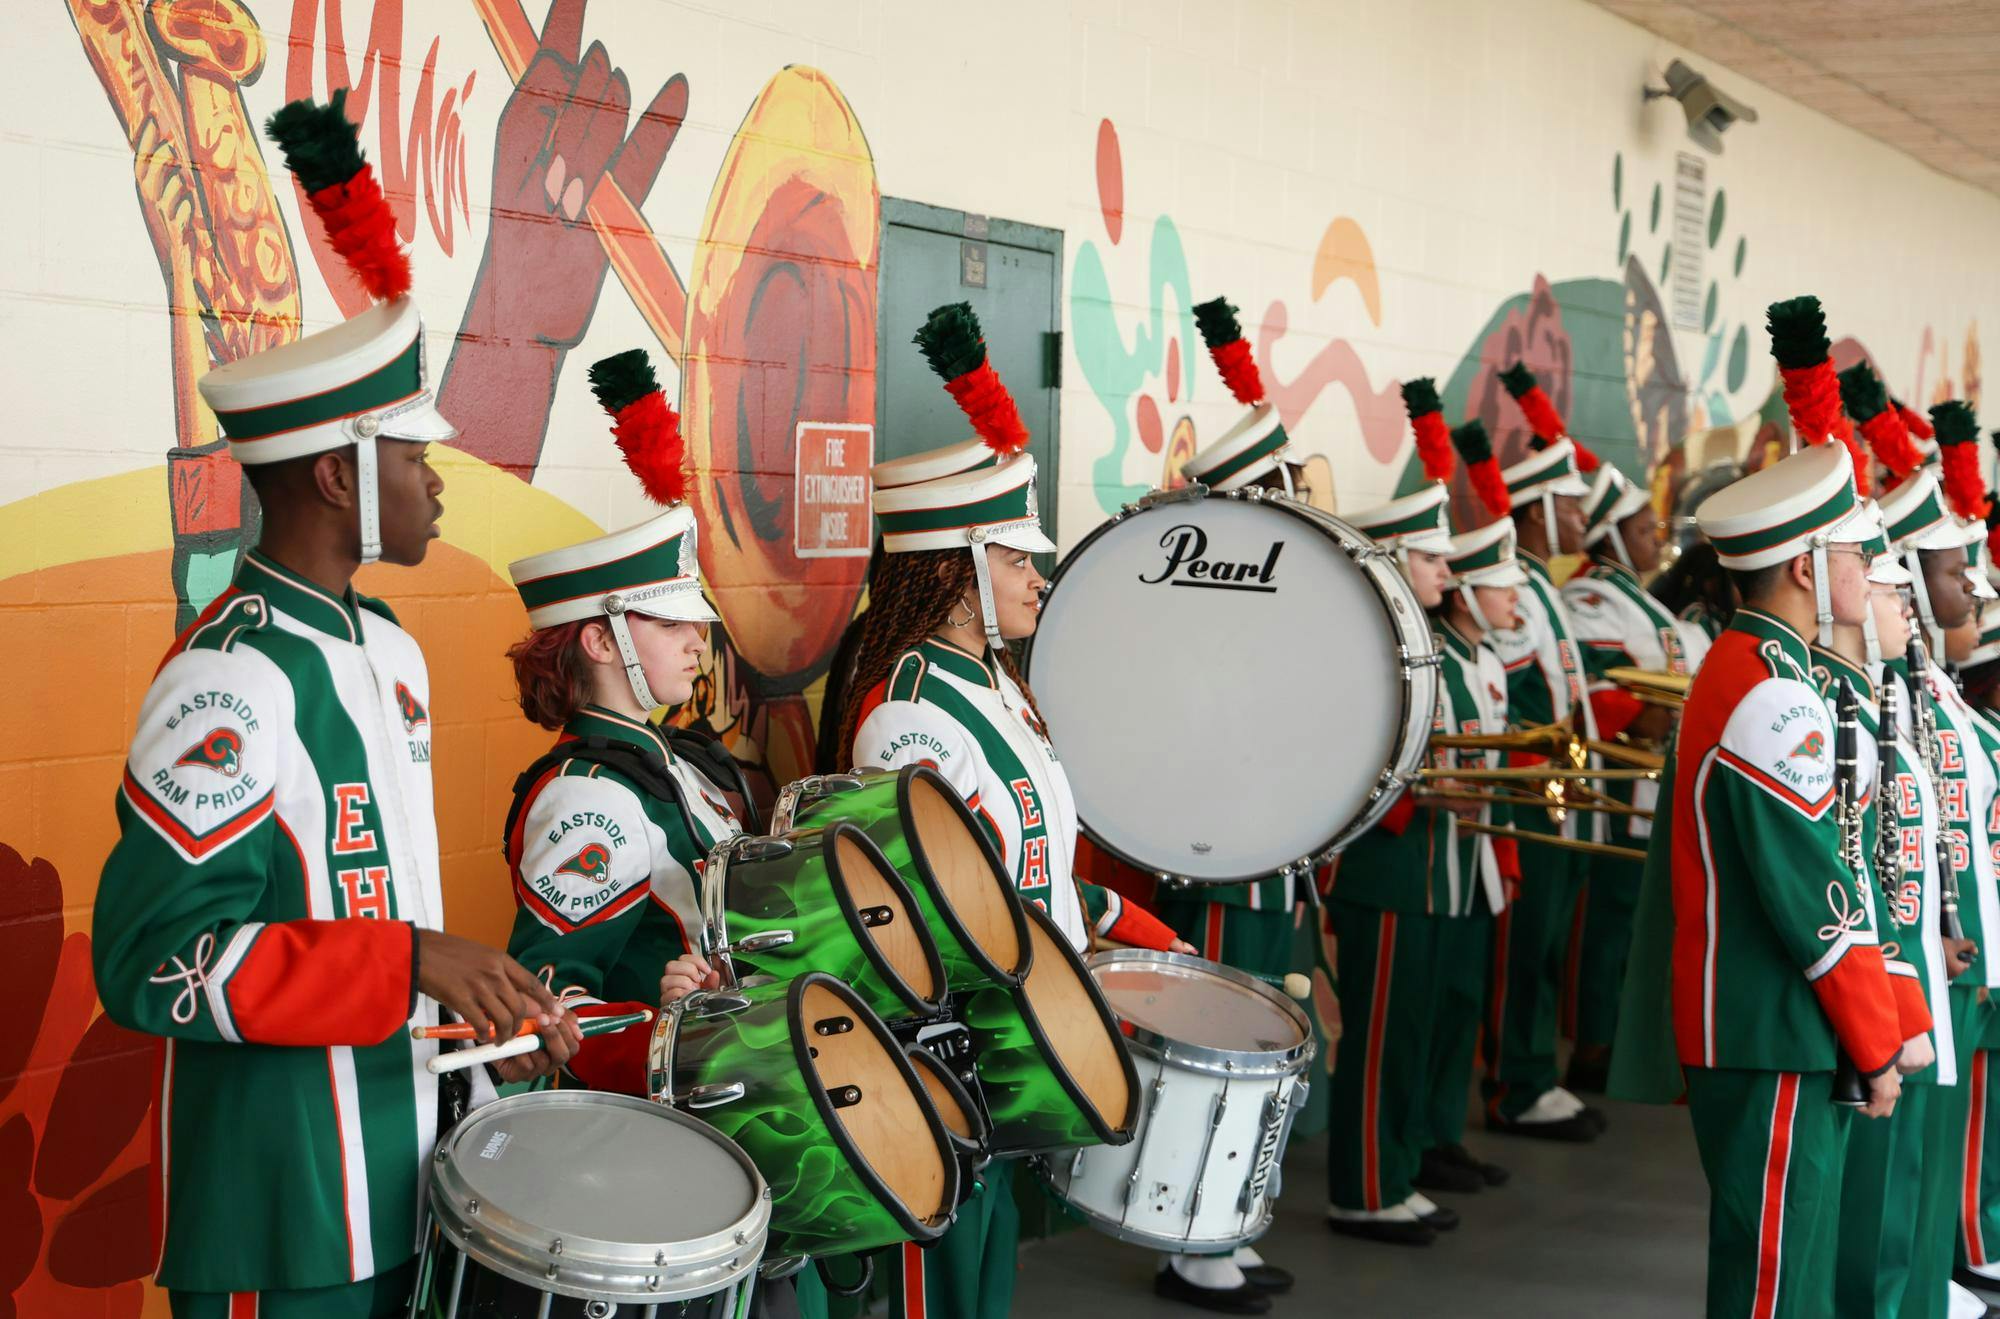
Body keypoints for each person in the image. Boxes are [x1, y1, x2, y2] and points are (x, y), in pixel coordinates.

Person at [92, 94, 572, 1317]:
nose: (438, 486)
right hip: (287, 1203)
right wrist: (409, 961)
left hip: (408, 1167)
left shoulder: (387, 646)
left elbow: (371, 896)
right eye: (416, 460)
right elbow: (153, 965)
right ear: (334, 475)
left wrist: (479, 1004)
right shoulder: (230, 682)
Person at [836, 304, 1191, 1319]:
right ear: (953, 565)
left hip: (1007, 1039)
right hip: (947, 1053)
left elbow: (1019, 870)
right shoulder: (908, 715)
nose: (1037, 576)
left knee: (986, 1274)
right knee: (938, 1283)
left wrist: (1127, 938)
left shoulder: (993, 688)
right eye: (1016, 559)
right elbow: (921, 918)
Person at [1674, 441, 1909, 1317]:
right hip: (1771, 1025)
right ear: (1809, 568)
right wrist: (1876, 1038)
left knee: (1792, 1264)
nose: (1863, 568)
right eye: (1851, 551)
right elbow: (1815, 897)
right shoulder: (1773, 692)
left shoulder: (1770, 669)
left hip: (1777, 1024)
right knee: (1773, 1276)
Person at [500, 348, 744, 1093]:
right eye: (672, 624)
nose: (698, 639)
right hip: (641, 1133)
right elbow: (551, 1006)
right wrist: (672, 1023)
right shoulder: (588, 799)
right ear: (601, 639)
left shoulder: (672, 760)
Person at [1322, 481, 1463, 1245]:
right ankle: (1365, 1186)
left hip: (1429, 872)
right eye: (1434, 557)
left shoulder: (1424, 644)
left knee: (1408, 1034)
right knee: (1378, 1042)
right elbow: (1355, 763)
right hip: (1384, 869)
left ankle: (1395, 1172)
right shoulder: (1366, 649)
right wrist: (1424, 796)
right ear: (1399, 557)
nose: (1448, 571)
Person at [1879, 470, 2000, 1319]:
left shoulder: (1934, 681)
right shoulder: (1898, 686)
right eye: (1958, 568)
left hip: (1955, 942)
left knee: (1943, 1127)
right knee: (1914, 1141)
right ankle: (1932, 1274)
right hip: (1919, 949)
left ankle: (1933, 1274)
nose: (1976, 585)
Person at [1827, 528, 1953, 1319]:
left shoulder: (1887, 700)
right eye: (1885, 588)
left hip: (1901, 973)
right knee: (1860, 1204)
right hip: (1871, 977)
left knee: (1901, 1187)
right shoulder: (1843, 707)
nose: (1905, 603)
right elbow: (1860, 880)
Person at [1560, 463, 1710, 1092]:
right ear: (1610, 536)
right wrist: (1655, 713)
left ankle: (1616, 1041)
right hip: (1615, 790)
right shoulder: (1592, 598)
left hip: (1651, 791)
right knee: (1605, 925)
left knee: (1629, 926)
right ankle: (1592, 1045)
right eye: (1642, 527)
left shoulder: (1640, 602)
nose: (1655, 537)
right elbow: (1600, 695)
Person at [1476, 433, 1605, 1140]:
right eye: (1569, 506)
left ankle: (1536, 1074)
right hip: (1530, 794)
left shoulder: (1542, 583)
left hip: (1563, 791)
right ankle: (1514, 1084)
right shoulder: (1513, 584)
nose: (1583, 521)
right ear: (1534, 512)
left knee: (1549, 941)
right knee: (1524, 947)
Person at [1413, 515, 1529, 1196]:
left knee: (1461, 1008)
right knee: (1426, 1015)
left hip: (1476, 861)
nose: (1515, 601)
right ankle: (1420, 1142)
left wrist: (1507, 857)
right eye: (1501, 588)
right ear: (1467, 595)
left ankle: (1442, 1132)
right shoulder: (1434, 655)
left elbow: (1501, 764)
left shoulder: (1488, 662)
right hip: (1436, 858)